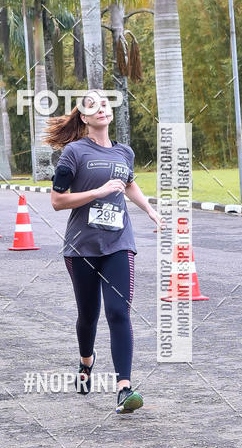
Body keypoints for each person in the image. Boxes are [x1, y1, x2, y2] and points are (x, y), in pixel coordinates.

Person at [47, 93, 163, 415]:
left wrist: (150, 211)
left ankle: (124, 389)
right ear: (84, 118)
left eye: (105, 105)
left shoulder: (124, 152)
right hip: (81, 246)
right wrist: (97, 192)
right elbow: (57, 201)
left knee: (118, 311)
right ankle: (86, 361)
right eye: (93, 106)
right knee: (89, 315)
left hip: (118, 243)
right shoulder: (74, 152)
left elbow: (129, 185)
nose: (102, 108)